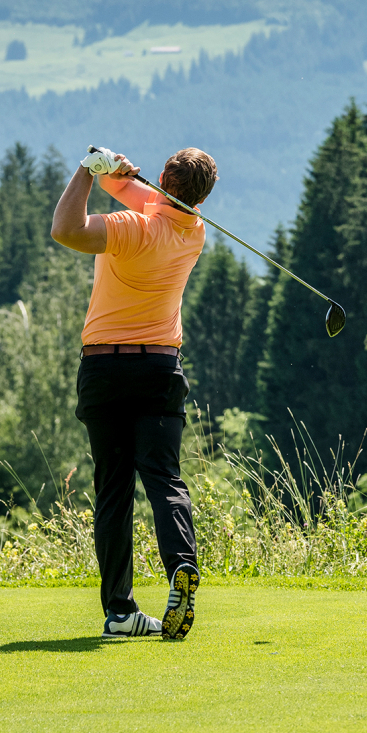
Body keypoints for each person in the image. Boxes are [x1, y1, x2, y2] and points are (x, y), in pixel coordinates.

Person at [49, 145, 215, 640]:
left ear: (165, 177)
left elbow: (65, 229)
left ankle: (120, 611)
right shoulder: (195, 232)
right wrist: (118, 174)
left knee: (115, 490)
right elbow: (145, 197)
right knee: (164, 478)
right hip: (161, 368)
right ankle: (180, 566)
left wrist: (86, 168)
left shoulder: (129, 229)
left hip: (105, 369)